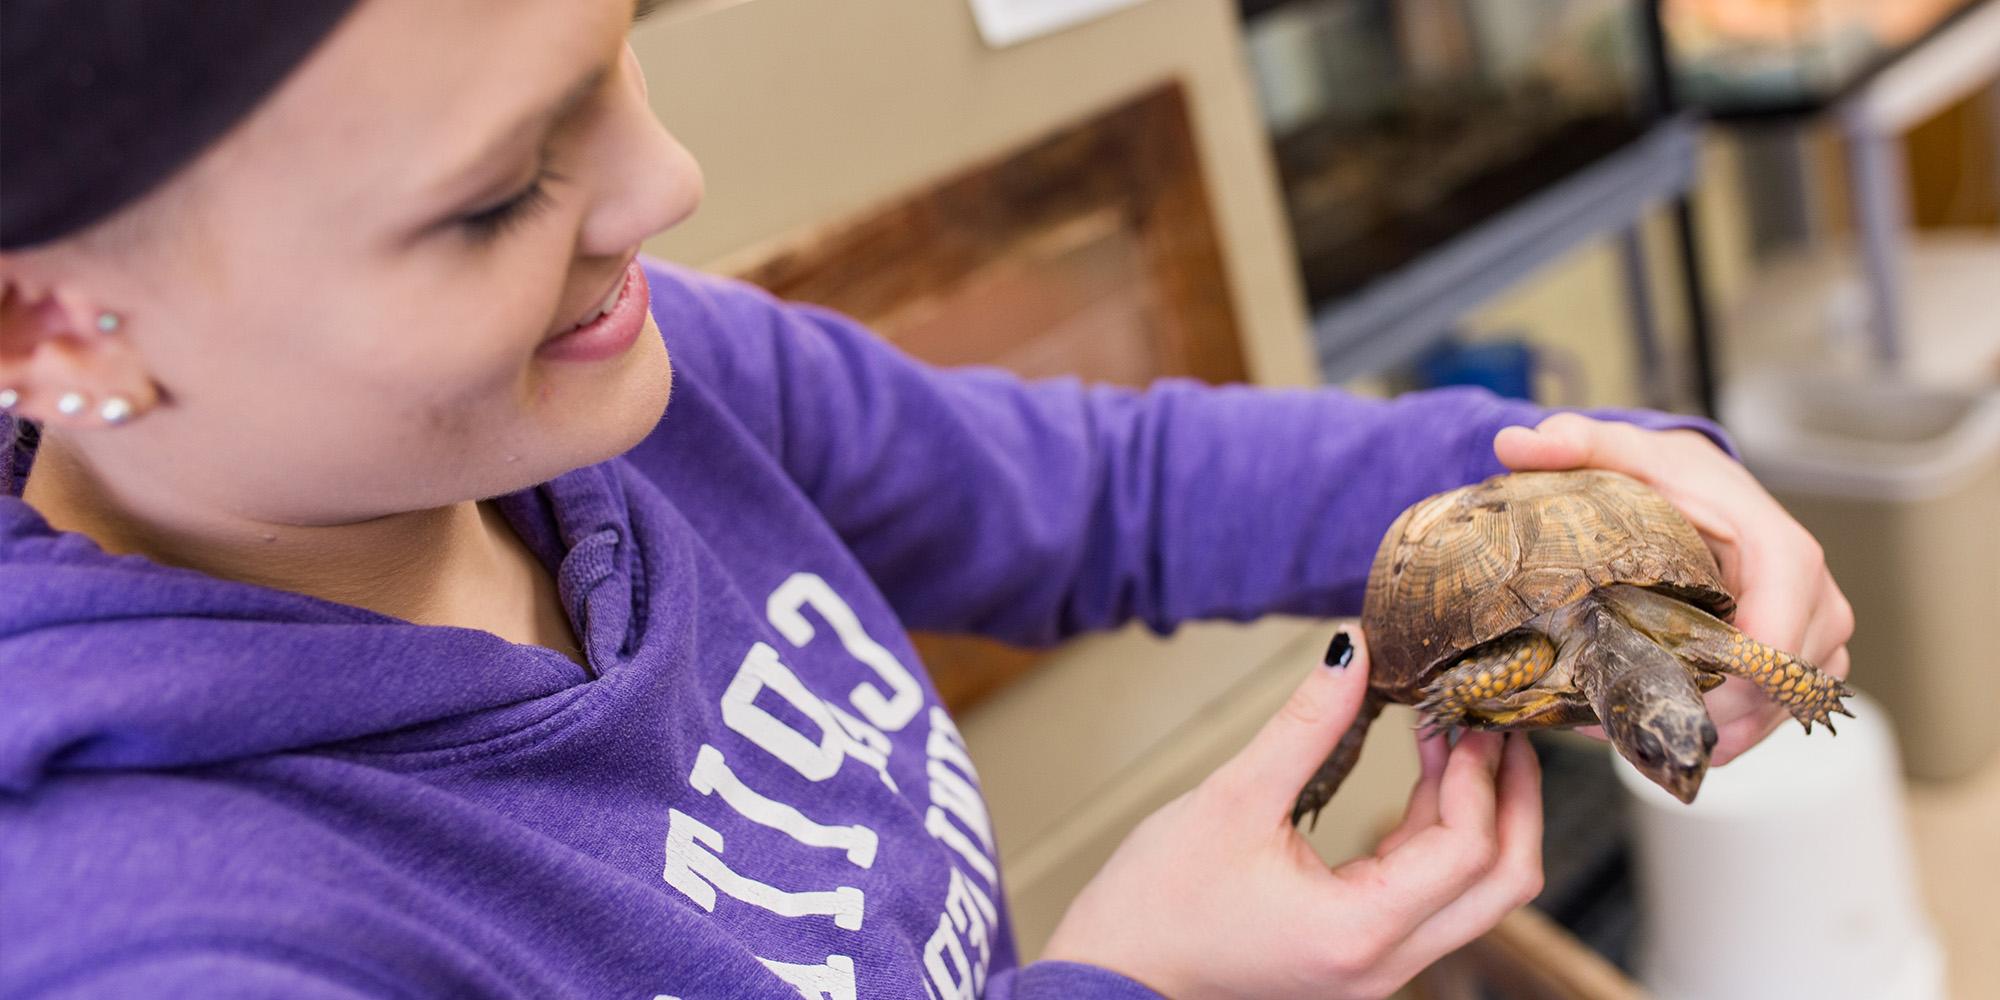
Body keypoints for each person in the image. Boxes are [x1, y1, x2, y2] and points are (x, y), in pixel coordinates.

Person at [0, 2, 1852, 997]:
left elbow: (1114, 493)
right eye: (498, 192)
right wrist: (1143, 985)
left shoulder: (657, 383)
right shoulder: (166, 940)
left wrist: (1621, 483)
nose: (667, 180)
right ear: (49, 314)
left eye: (622, 43)